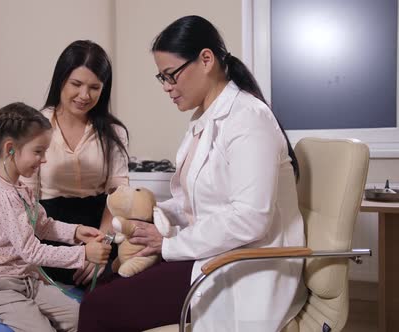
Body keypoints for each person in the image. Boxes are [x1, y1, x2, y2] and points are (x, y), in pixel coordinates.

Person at [78, 15, 307, 332]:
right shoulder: (203, 121)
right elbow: (192, 202)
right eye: (162, 78)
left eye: (171, 75)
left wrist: (167, 245)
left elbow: (251, 217)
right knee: (105, 283)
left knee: (97, 308)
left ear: (206, 59)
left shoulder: (248, 118)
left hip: (242, 264)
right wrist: (155, 215)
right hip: (210, 252)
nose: (168, 88)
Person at [0, 102, 112, 332]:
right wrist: (83, 253)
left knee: (78, 318)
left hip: (24, 280)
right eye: (38, 151)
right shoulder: (2, 197)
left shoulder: (21, 189)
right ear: (10, 149)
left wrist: (75, 231)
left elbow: (43, 225)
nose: (43, 159)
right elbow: (31, 251)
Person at [21, 40, 129, 287]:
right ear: (61, 80)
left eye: (94, 87)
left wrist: (100, 247)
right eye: (76, 84)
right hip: (51, 230)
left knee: (120, 282)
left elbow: (117, 195)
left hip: (101, 229)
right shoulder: (35, 127)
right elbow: (24, 199)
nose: (84, 95)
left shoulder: (114, 132)